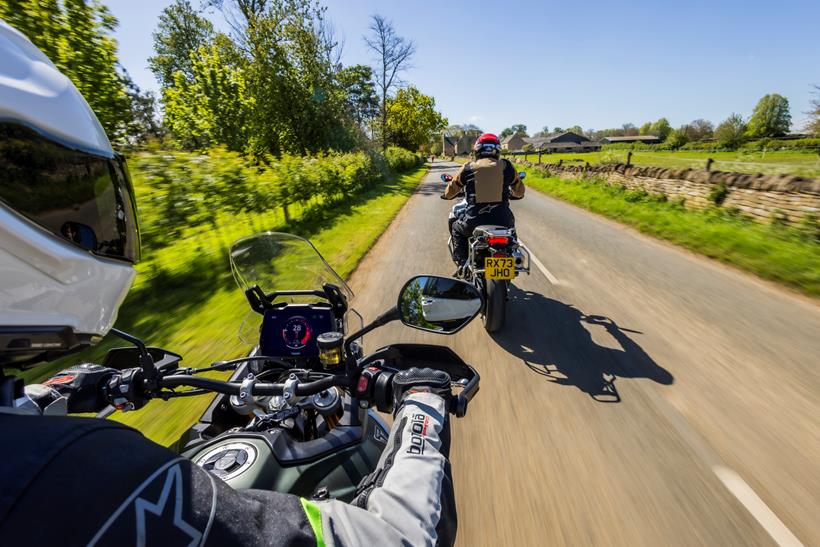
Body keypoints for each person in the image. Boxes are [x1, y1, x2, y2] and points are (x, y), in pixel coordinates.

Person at [0, 20, 457, 546]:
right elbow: (398, 538)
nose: (88, 226)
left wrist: (46, 395)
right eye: (59, 199)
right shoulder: (81, 472)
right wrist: (423, 405)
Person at [442, 133, 525, 276]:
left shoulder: (467, 167)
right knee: (511, 227)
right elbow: (519, 191)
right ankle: (511, 254)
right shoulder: (507, 166)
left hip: (473, 222)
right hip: (503, 221)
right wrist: (515, 193)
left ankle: (462, 263)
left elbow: (450, 191)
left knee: (456, 226)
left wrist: (447, 195)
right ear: (497, 150)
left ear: (477, 150)